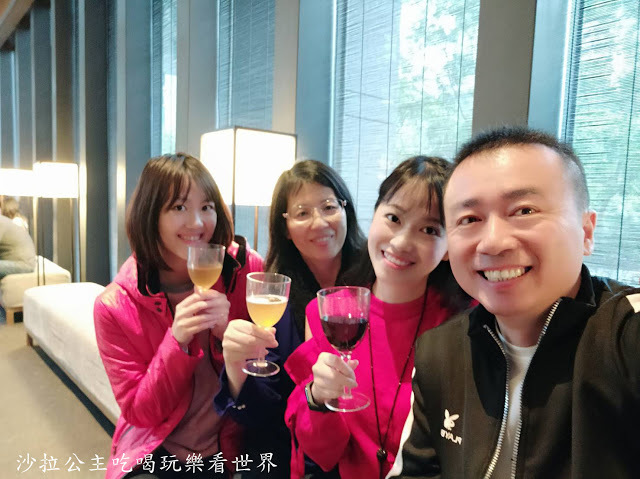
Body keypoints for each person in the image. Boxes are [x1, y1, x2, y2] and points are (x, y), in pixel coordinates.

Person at [389, 127, 640, 478]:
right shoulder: (439, 352)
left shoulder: (626, 334)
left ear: (586, 232)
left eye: (524, 210)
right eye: (469, 219)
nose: (493, 242)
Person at [284, 156, 472, 479]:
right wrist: (317, 397)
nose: (401, 242)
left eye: (429, 229)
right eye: (393, 218)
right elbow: (323, 454)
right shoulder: (328, 312)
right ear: (373, 217)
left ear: (448, 247)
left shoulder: (464, 324)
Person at [94, 153, 263, 479]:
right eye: (179, 207)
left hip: (227, 445)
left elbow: (269, 374)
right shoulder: (114, 307)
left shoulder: (243, 271)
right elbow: (141, 414)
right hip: (156, 447)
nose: (197, 223)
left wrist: (227, 334)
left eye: (206, 207)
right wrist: (177, 341)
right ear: (150, 215)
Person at [215, 159, 365, 478]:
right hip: (291, 455)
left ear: (346, 209)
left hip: (364, 451)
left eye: (328, 207)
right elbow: (259, 412)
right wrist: (235, 366)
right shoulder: (276, 296)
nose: (319, 222)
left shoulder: (374, 281)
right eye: (302, 213)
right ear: (285, 227)